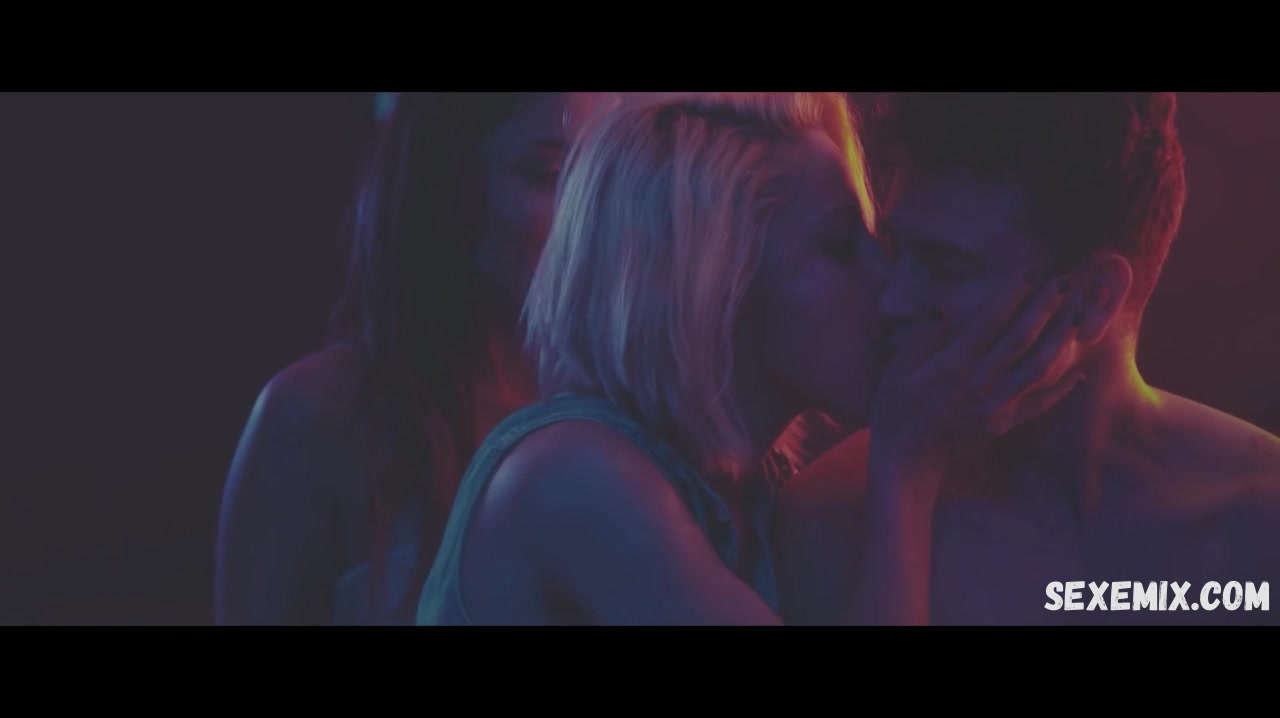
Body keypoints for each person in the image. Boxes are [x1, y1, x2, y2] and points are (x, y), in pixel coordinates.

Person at [415, 92, 1080, 625]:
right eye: (839, 247)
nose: (890, 287)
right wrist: (908, 466)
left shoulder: (749, 488)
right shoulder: (576, 474)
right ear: (710, 288)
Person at [777, 92, 1280, 626]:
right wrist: (903, 480)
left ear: (1093, 298)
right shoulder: (839, 515)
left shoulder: (1258, 521)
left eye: (947, 267)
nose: (892, 301)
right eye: (896, 252)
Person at [215, 92, 617, 625]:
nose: (589, 212)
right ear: (445, 185)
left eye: (604, 176)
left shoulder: (626, 408)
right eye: (548, 175)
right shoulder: (316, 417)